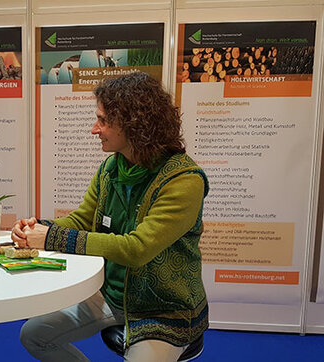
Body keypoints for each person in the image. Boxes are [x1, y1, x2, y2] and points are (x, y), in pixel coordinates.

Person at [12, 71, 209, 362]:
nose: (95, 129)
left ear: (135, 124)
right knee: (34, 335)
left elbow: (136, 249)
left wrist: (50, 238)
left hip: (165, 310)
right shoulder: (110, 169)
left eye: (103, 120)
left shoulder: (184, 181)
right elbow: (82, 220)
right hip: (112, 296)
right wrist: (38, 228)